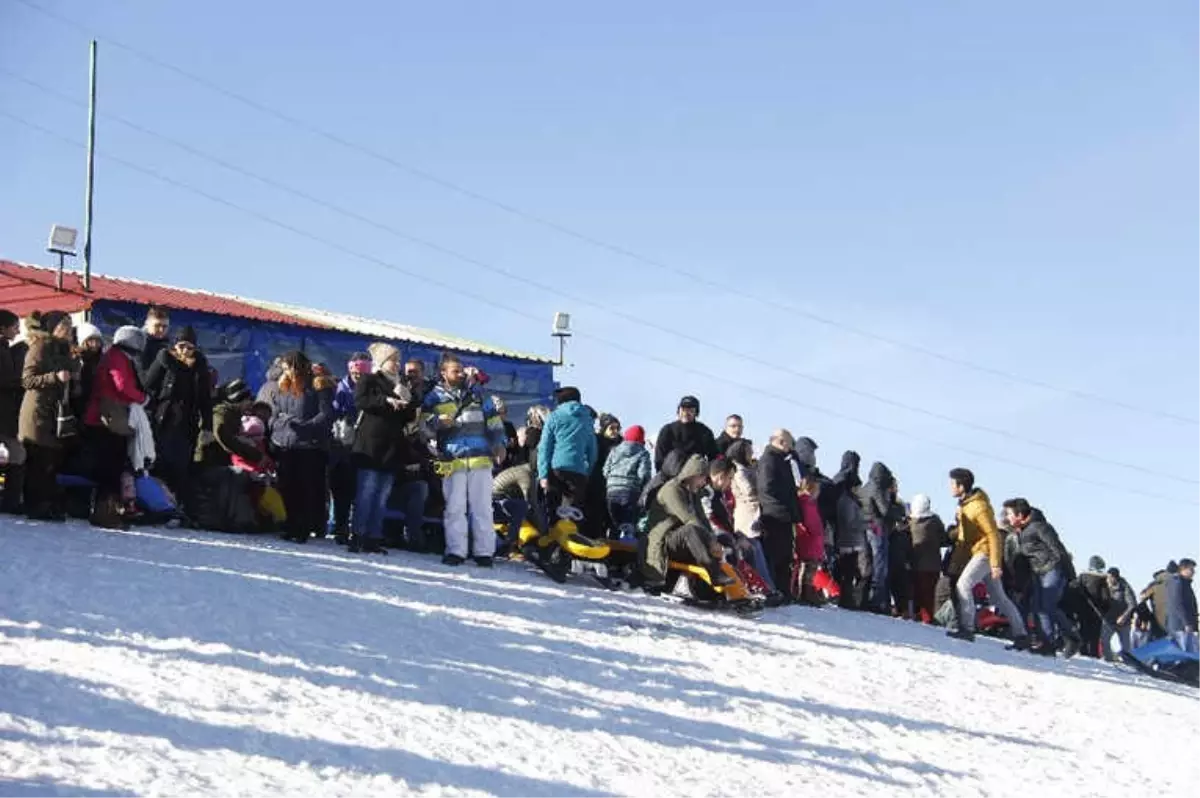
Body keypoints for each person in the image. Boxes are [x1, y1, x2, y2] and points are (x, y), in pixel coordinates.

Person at [422, 353, 506, 566]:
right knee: (454, 507)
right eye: (455, 371)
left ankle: (484, 553)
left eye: (461, 371)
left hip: (481, 459)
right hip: (452, 459)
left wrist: (499, 444)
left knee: (483, 507)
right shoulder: (434, 397)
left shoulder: (479, 395)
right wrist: (437, 422)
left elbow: (494, 421)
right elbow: (422, 424)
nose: (460, 374)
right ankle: (456, 551)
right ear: (444, 373)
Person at [946, 468, 1029, 648]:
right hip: (979, 552)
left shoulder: (979, 507)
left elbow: (993, 535)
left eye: (952, 484)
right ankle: (1021, 634)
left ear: (961, 486)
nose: (950, 487)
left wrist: (995, 564)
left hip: (984, 553)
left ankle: (967, 628)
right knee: (999, 597)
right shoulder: (966, 504)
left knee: (963, 585)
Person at [350, 342, 418, 554]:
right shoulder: (370, 379)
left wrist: (407, 400)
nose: (396, 365)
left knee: (381, 497)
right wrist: (386, 400)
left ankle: (374, 537)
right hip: (370, 446)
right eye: (392, 360)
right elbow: (361, 401)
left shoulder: (401, 384)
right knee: (366, 494)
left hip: (392, 448)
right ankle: (358, 535)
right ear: (381, 361)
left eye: (398, 361)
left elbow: (408, 418)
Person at [83, 326, 148, 527]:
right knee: (110, 468)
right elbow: (122, 385)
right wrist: (143, 398)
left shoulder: (114, 355)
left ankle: (108, 510)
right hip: (107, 419)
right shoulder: (117, 357)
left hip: (105, 417)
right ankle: (105, 513)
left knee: (111, 467)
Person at [641, 453, 734, 589]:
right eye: (702, 478)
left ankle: (715, 590)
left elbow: (702, 519)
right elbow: (689, 519)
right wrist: (711, 542)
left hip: (679, 539)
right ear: (692, 474)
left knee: (723, 538)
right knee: (691, 531)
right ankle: (714, 572)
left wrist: (714, 539)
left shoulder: (692, 492)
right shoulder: (672, 490)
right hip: (662, 540)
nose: (704, 482)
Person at [268, 351, 333, 543]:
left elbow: (326, 414)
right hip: (285, 443)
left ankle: (303, 527)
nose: (287, 371)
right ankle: (289, 524)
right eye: (285, 368)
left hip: (309, 445)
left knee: (306, 488)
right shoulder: (282, 386)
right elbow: (275, 412)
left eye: (290, 367)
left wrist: (307, 427)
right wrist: (276, 425)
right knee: (287, 486)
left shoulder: (317, 385)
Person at [1002, 498, 1079, 656]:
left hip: (1052, 569)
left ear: (1020, 515)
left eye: (1009, 514)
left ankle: (1051, 644)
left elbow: (1058, 550)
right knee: (1038, 607)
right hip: (1038, 573)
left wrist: (1072, 576)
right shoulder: (1021, 531)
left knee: (1045, 607)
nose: (1007, 517)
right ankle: (1056, 639)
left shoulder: (1040, 527)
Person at [19, 311, 76, 521]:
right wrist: (54, 377)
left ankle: (48, 503)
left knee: (51, 460)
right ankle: (35, 505)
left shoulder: (64, 349)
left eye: (70, 324)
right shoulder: (40, 346)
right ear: (52, 327)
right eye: (63, 324)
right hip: (38, 411)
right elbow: (27, 380)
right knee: (39, 460)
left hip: (56, 412)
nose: (68, 328)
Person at [142, 326, 213, 494]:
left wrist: (207, 426)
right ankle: (159, 500)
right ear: (175, 346)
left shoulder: (199, 368)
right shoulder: (165, 360)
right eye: (182, 346)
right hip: (164, 419)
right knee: (160, 461)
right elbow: (147, 385)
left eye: (189, 347)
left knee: (180, 465)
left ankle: (177, 503)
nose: (185, 351)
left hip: (187, 423)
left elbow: (205, 399)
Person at [537, 387, 598, 525]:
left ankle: (553, 543)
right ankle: (568, 543)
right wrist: (587, 471)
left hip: (556, 469)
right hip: (578, 472)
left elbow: (545, 448)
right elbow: (592, 451)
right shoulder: (587, 419)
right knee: (571, 515)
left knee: (553, 512)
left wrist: (543, 475)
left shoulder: (554, 416)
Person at [725, 438, 775, 594]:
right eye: (748, 451)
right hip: (746, 515)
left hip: (755, 513)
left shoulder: (749, 468)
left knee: (757, 550)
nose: (752, 454)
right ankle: (761, 585)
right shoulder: (739, 472)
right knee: (752, 549)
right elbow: (749, 490)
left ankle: (763, 584)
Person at [330, 352, 371, 542]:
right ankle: (339, 526)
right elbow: (333, 411)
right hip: (341, 443)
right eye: (356, 372)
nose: (359, 377)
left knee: (359, 489)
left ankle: (356, 528)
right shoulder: (340, 388)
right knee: (341, 489)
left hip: (363, 444)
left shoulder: (372, 389)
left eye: (363, 373)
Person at [756, 429, 800, 598]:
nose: (791, 448)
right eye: (789, 443)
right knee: (774, 557)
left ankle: (784, 591)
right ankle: (773, 590)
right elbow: (767, 489)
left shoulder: (783, 460)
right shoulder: (769, 461)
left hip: (784, 517)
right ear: (782, 442)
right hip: (774, 517)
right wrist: (783, 509)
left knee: (785, 558)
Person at [860, 462, 903, 615]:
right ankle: (877, 602)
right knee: (880, 567)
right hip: (878, 529)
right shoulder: (877, 487)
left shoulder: (865, 487)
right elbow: (885, 510)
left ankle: (865, 598)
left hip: (864, 528)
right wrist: (899, 511)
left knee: (868, 565)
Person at [603, 424, 651, 540]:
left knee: (614, 523)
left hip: (612, 490)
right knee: (628, 523)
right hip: (630, 492)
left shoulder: (614, 450)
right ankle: (627, 552)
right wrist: (643, 486)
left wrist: (612, 481)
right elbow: (643, 474)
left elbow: (605, 470)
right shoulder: (642, 453)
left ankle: (612, 549)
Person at [0, 309, 27, 514]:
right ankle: (11, 501)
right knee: (17, 453)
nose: (18, 332)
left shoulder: (7, 348)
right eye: (15, 327)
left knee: (17, 453)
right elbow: (6, 380)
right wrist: (23, 381)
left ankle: (10, 500)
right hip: (4, 410)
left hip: (7, 411)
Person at [653, 395, 718, 473]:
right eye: (683, 409)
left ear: (696, 413)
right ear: (678, 411)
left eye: (690, 410)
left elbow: (713, 457)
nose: (686, 413)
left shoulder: (704, 432)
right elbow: (659, 458)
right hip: (670, 476)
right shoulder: (667, 430)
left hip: (695, 477)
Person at [908, 494, 946, 624]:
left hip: (915, 563)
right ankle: (928, 619)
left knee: (916, 593)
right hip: (933, 564)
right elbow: (943, 539)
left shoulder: (909, 522)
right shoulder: (935, 520)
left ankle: (917, 616)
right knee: (930, 595)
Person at [795, 473, 827, 604]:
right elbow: (810, 521)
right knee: (809, 568)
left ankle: (808, 591)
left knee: (811, 568)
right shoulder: (806, 503)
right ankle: (805, 593)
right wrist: (816, 533)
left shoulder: (810, 503)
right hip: (810, 539)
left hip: (813, 539)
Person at [1104, 567, 1138, 658]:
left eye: (1110, 577)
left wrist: (1124, 616)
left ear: (1115, 577)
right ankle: (1108, 659)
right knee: (1105, 640)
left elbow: (1132, 604)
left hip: (1123, 622)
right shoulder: (1105, 587)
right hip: (1109, 620)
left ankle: (1128, 661)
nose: (1108, 580)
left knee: (1126, 646)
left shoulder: (1125, 587)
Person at [1165, 558, 1197, 652]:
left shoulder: (1185, 583)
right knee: (1182, 653)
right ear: (1183, 569)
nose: (1193, 572)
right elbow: (1177, 604)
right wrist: (1186, 622)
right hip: (1180, 626)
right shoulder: (1177, 582)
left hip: (1184, 625)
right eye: (1191, 569)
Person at [138, 306, 171, 382]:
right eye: (157, 325)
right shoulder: (137, 342)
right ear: (147, 323)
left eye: (165, 326)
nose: (161, 329)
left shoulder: (167, 344)